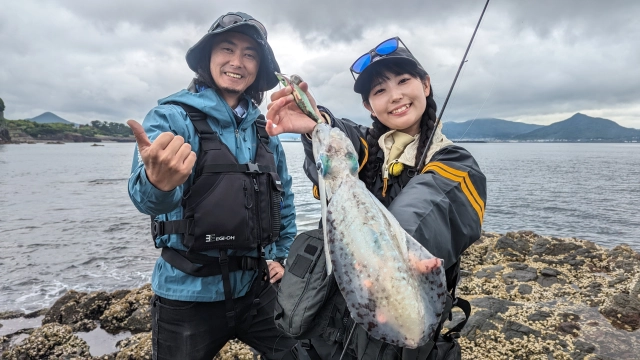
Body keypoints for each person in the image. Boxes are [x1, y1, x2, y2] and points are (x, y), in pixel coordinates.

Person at [266, 37, 487, 359]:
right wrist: (316, 127)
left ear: (425, 85)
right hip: (328, 331)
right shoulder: (367, 153)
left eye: (403, 81)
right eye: (379, 90)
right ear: (369, 106)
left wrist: (389, 254)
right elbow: (339, 151)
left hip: (399, 328)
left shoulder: (456, 163)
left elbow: (428, 208)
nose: (395, 95)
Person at [127, 12, 298, 360]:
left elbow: (284, 198)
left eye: (250, 54)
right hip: (187, 296)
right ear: (208, 57)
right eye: (227, 49)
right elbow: (147, 199)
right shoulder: (171, 118)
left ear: (258, 68)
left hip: (257, 289)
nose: (238, 62)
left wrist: (282, 257)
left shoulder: (265, 131)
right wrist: (157, 183)